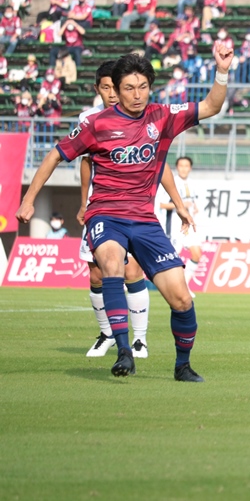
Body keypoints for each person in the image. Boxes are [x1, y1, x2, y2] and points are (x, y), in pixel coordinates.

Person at [16, 45, 234, 381]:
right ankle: (123, 351)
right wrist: (29, 199)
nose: (137, 94)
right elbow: (55, 155)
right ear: (116, 91)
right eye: (129, 88)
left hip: (145, 220)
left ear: (150, 87)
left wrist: (222, 71)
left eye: (143, 87)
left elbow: (211, 106)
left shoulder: (163, 116)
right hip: (106, 214)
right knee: (112, 266)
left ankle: (183, 366)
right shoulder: (96, 124)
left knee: (181, 298)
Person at [76, 60, 167, 360]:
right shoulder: (89, 119)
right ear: (100, 89)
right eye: (106, 88)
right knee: (96, 274)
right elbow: (85, 163)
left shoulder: (144, 117)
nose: (112, 94)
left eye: (115, 88)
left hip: (134, 209)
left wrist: (178, 202)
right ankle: (106, 334)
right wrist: (83, 202)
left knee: (133, 270)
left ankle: (139, 340)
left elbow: (159, 161)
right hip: (101, 208)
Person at [158, 156, 203, 298]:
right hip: (175, 226)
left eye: (186, 166)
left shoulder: (192, 184)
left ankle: (185, 286)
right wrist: (180, 206)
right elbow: (161, 204)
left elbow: (194, 202)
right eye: (181, 166)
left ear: (190, 168)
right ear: (177, 167)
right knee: (172, 259)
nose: (184, 168)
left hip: (190, 226)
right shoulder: (171, 182)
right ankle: (168, 287)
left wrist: (194, 208)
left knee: (197, 253)